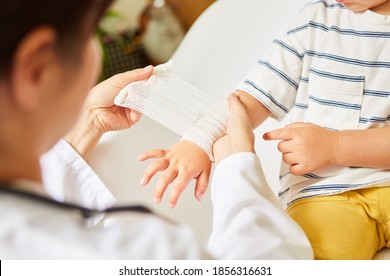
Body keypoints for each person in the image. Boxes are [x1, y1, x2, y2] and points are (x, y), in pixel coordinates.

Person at [0, 0, 312, 259]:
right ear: (37, 70)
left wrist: (88, 125)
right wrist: (238, 168)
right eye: (89, 34)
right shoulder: (143, 255)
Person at [139, 0, 390, 259]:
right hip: (325, 194)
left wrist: (335, 147)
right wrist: (199, 139)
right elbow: (249, 100)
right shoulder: (315, 20)